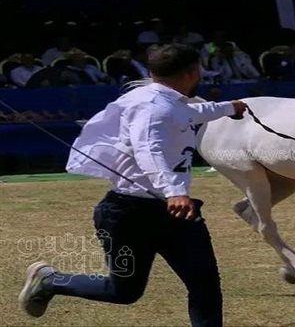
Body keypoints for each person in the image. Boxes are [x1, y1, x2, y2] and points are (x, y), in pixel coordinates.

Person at [18, 44, 248, 327]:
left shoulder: (166, 101)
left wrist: (229, 108)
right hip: (130, 213)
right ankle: (50, 280)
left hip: (173, 213)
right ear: (193, 72)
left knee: (205, 284)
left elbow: (190, 113)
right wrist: (174, 191)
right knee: (124, 292)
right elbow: (148, 149)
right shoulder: (153, 109)